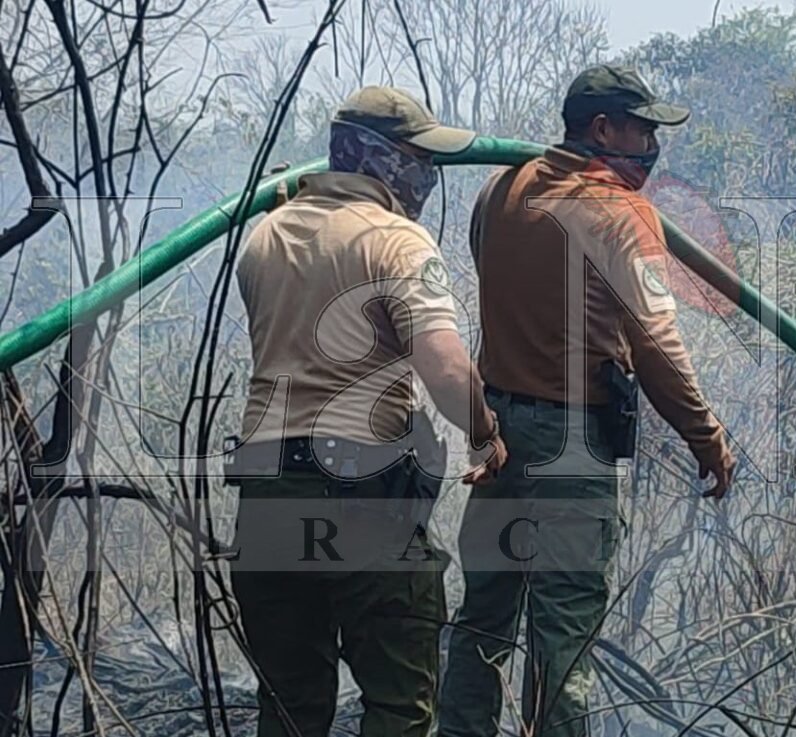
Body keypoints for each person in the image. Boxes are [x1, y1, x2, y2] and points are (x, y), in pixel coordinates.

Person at [438, 64, 736, 737]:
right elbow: (656, 343)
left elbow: (491, 273)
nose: (653, 145)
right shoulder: (619, 212)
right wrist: (707, 436)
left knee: (483, 618)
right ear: (603, 128)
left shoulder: (499, 188)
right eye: (643, 128)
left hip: (499, 435)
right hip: (569, 449)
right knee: (563, 632)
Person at [228, 86, 507, 737]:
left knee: (290, 706)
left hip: (268, 493)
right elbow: (443, 365)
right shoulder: (396, 241)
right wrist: (485, 434)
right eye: (418, 158)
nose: (426, 175)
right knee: (399, 702)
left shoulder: (263, 237)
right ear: (380, 158)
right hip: (361, 497)